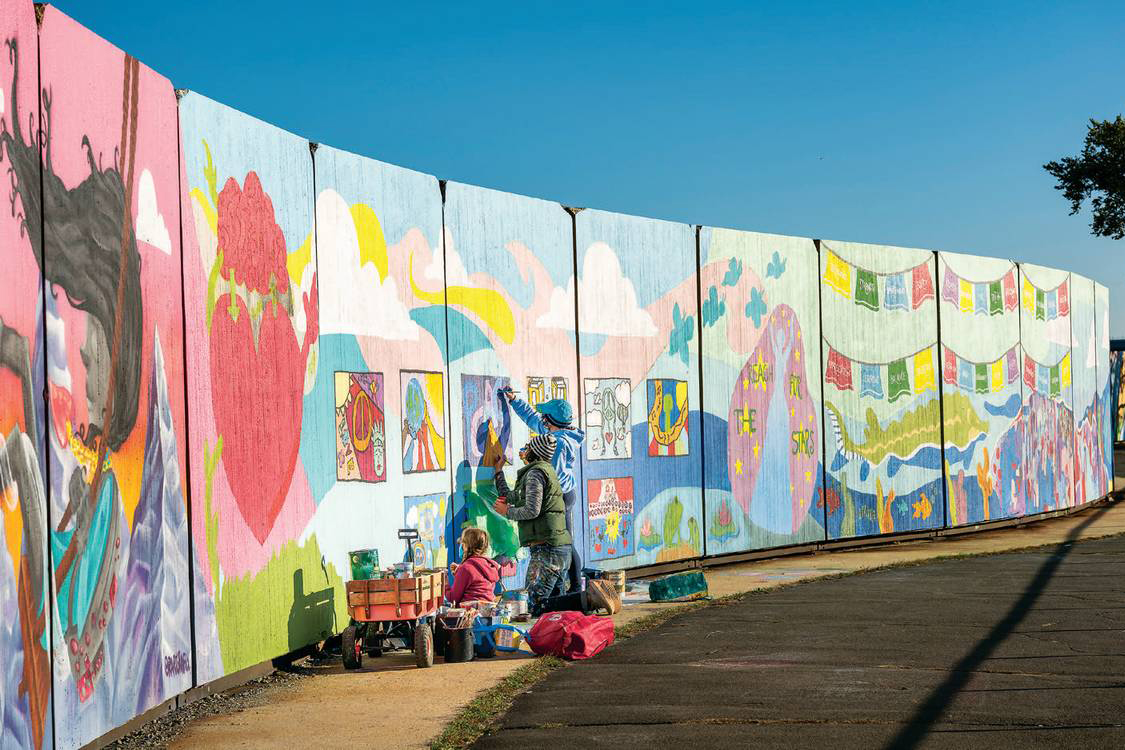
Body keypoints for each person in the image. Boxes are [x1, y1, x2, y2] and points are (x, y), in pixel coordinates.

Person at [493, 434, 619, 616]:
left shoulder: (535, 475)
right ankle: (588, 601)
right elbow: (510, 496)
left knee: (534, 605)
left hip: (548, 551)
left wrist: (507, 512)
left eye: (528, 447)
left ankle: (591, 599)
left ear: (535, 452)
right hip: (556, 549)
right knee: (556, 607)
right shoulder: (542, 472)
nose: (524, 450)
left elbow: (532, 510)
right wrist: (498, 472)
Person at [502, 388, 586, 591]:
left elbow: (548, 472)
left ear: (550, 420)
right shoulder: (556, 434)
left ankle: (575, 587)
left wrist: (529, 458)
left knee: (563, 542)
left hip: (559, 496)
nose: (542, 420)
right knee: (563, 541)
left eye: (545, 417)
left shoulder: (558, 443)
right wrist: (514, 401)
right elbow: (532, 419)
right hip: (565, 492)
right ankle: (567, 587)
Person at [447, 527, 500, 606]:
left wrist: (444, 583)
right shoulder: (489, 565)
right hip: (488, 610)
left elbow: (453, 599)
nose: (461, 546)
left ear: (466, 546)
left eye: (463, 543)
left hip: (471, 612)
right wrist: (459, 572)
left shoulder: (465, 568)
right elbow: (477, 581)